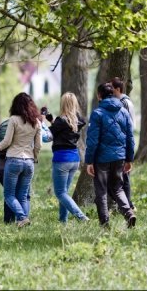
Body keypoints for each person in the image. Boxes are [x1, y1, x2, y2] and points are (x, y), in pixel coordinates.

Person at [85, 83, 136, 228]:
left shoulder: (97, 113)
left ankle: (105, 224)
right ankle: (129, 213)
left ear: (99, 95)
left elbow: (92, 140)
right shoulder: (124, 112)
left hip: (101, 159)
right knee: (118, 188)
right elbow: (130, 137)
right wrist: (129, 159)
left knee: (101, 191)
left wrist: (89, 161)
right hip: (120, 157)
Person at [0, 92, 41, 227]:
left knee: (9, 195)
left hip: (14, 159)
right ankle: (23, 222)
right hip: (29, 162)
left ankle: (22, 217)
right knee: (23, 196)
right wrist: (34, 156)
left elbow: (7, 141)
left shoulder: (13, 120)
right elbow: (38, 145)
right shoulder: (36, 122)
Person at [47, 92, 89, 224]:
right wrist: (52, 121)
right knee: (64, 192)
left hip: (62, 159)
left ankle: (81, 217)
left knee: (60, 193)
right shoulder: (78, 121)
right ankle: (63, 221)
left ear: (63, 104)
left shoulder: (60, 121)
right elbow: (64, 129)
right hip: (74, 159)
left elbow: (49, 135)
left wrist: (42, 123)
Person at [111, 77, 136, 211]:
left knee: (124, 176)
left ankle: (128, 205)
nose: (110, 91)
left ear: (118, 89)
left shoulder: (124, 103)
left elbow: (128, 126)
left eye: (112, 88)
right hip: (121, 142)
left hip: (124, 143)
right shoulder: (119, 101)